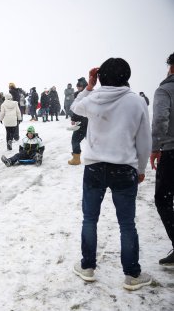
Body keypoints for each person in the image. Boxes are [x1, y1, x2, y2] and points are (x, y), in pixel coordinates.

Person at [71, 58, 153, 291]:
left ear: (101, 76)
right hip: (124, 168)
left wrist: (89, 86)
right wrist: (141, 168)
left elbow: (75, 109)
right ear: (126, 76)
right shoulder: (136, 102)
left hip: (94, 168)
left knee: (90, 219)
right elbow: (144, 140)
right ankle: (132, 274)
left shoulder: (93, 99)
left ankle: (87, 267)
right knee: (127, 224)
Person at [151, 52, 174, 266]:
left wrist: (155, 147)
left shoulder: (165, 89)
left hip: (171, 151)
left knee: (164, 199)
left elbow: (159, 119)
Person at [68, 77, 89, 165]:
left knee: (75, 140)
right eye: (77, 86)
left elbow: (77, 109)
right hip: (89, 122)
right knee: (92, 140)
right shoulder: (90, 93)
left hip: (83, 122)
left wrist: (74, 118)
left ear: (84, 86)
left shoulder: (81, 95)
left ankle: (76, 158)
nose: (78, 88)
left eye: (79, 86)